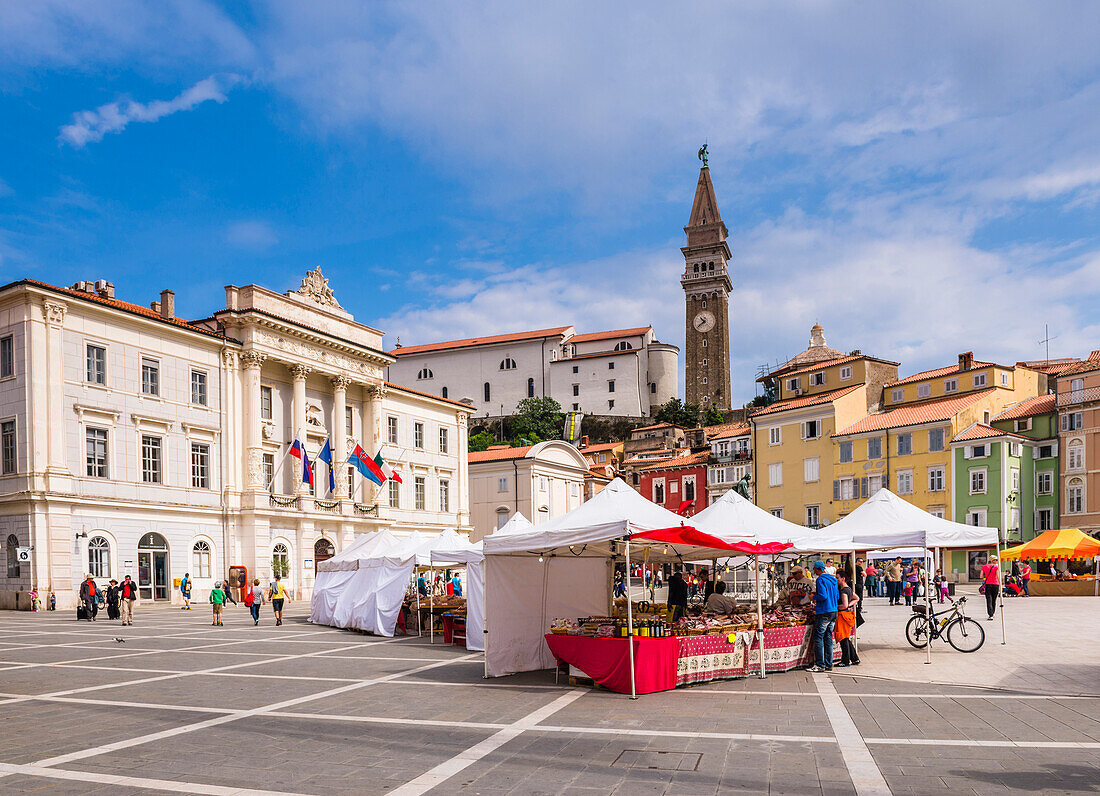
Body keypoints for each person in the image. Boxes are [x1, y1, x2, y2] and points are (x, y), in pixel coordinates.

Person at [808, 560, 839, 672]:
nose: (814, 571)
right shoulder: (833, 579)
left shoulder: (820, 579)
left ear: (817, 569)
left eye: (815, 569)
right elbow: (836, 595)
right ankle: (828, 663)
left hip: (824, 611)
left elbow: (823, 595)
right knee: (828, 637)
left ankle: (820, 664)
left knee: (818, 638)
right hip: (833, 611)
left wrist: (814, 597)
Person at [835, 570, 860, 667]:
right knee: (846, 638)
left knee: (843, 638)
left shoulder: (843, 591)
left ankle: (845, 661)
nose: (836, 580)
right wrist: (850, 605)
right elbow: (856, 598)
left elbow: (844, 605)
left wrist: (835, 607)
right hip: (847, 615)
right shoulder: (848, 589)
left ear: (843, 578)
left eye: (837, 578)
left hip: (842, 616)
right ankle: (855, 659)